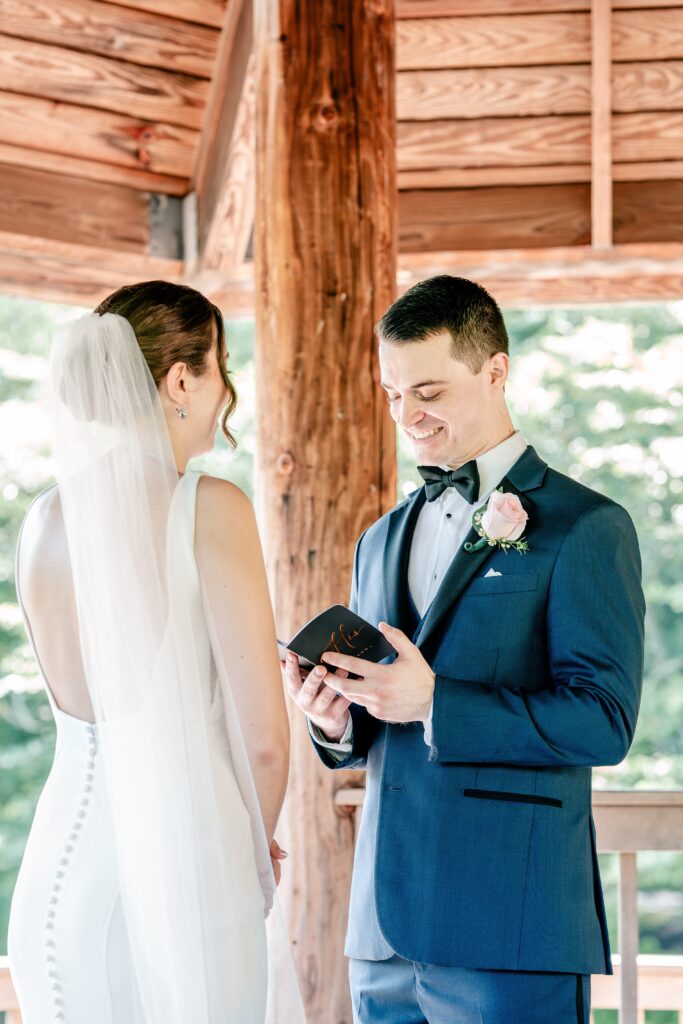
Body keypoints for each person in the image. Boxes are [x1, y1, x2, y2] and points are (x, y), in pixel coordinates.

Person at [286, 275, 646, 1024]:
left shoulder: (585, 526)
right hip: (380, 936)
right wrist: (335, 722)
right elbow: (379, 720)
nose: (406, 415)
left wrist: (435, 703)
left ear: (494, 370)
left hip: (509, 925)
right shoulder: (379, 538)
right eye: (391, 393)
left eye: (429, 391)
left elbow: (602, 721)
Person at [8, 282, 302, 1023]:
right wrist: (251, 849)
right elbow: (266, 745)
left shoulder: (45, 516)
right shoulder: (210, 508)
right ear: (180, 379)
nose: (226, 388)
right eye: (221, 364)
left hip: (55, 882)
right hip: (179, 873)